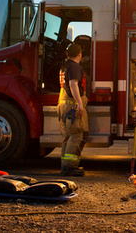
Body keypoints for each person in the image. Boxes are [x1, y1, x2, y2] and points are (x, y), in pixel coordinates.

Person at [57, 42, 89, 176]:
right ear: (80, 54)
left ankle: (65, 165)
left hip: (63, 104)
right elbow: (73, 85)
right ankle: (70, 167)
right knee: (76, 135)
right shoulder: (75, 67)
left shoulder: (65, 67)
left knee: (67, 137)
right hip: (72, 105)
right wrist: (79, 104)